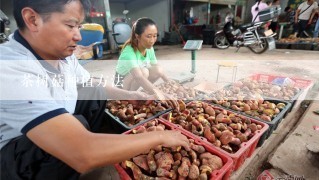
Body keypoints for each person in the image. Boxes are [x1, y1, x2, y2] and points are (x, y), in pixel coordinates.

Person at [0, 0, 190, 179]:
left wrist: (129, 95)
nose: (78, 36)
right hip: (14, 152)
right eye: (70, 25)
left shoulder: (61, 55)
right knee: (78, 133)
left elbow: (90, 82)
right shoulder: (10, 69)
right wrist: (160, 137)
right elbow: (80, 151)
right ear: (33, 20)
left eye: (79, 26)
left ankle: (91, 144)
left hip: (54, 124)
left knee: (95, 92)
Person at [114, 17, 171, 96]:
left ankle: (143, 91)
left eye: (155, 36)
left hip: (135, 77)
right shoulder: (129, 52)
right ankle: (128, 96)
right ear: (137, 36)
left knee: (158, 69)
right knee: (144, 72)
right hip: (121, 84)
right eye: (148, 36)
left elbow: (156, 67)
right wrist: (160, 94)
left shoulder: (149, 48)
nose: (152, 40)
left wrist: (170, 83)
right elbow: (138, 77)